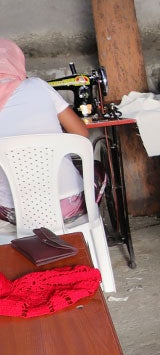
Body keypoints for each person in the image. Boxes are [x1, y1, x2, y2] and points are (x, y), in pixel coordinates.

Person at [0, 38, 97, 224]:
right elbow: (81, 134)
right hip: (66, 206)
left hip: (15, 215)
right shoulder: (37, 86)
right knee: (98, 172)